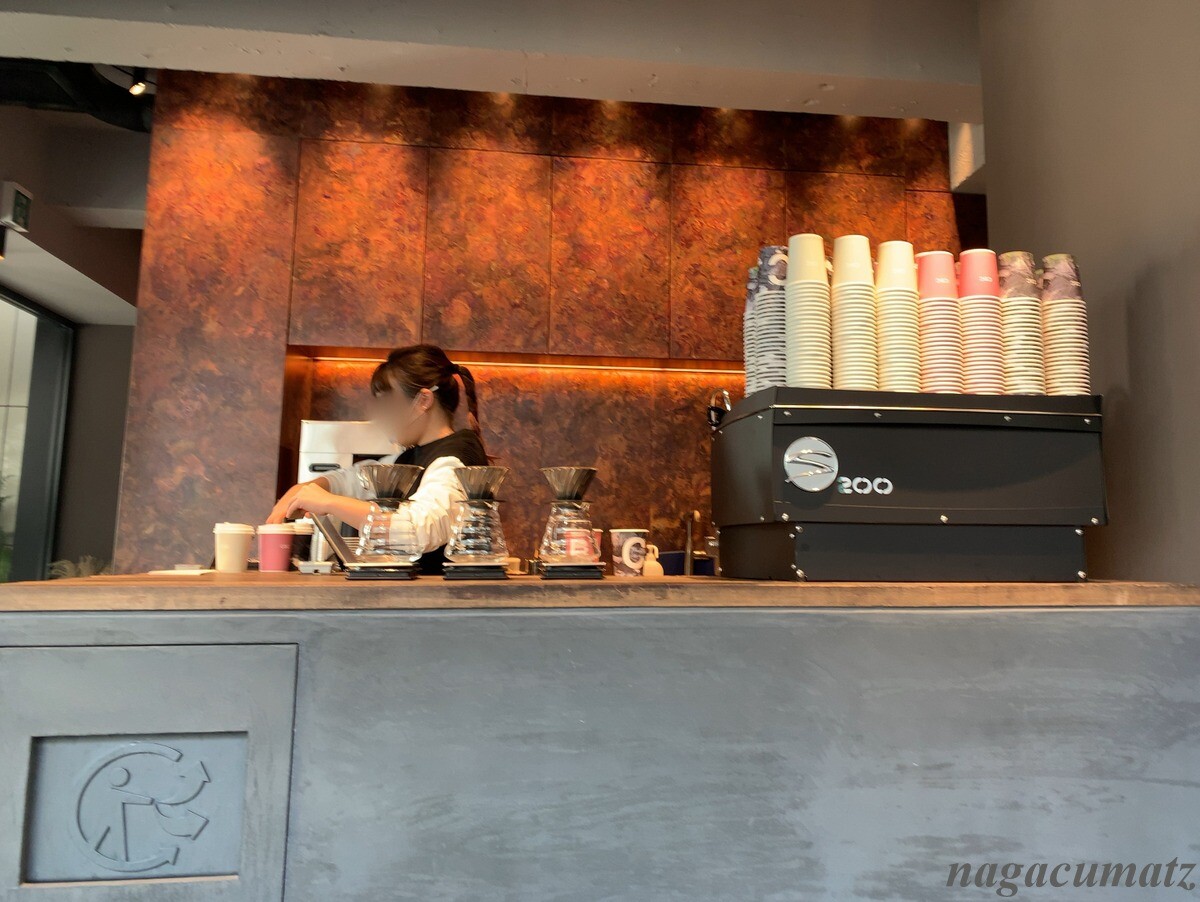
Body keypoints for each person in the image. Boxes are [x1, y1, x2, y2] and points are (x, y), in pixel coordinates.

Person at [267, 344, 488, 574]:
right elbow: (355, 478)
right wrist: (308, 488)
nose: (381, 416)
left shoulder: (455, 457)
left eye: (387, 403)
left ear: (424, 400)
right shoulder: (411, 455)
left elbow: (421, 529)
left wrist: (328, 502)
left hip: (440, 595)